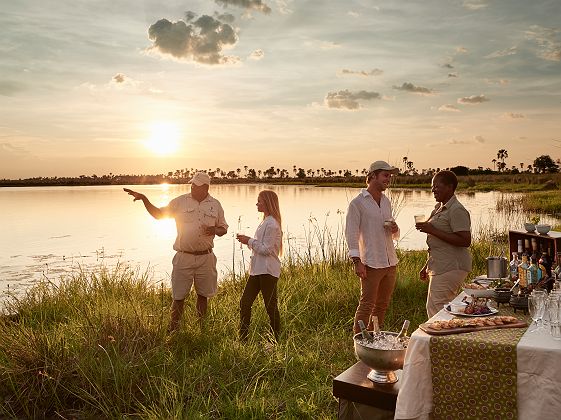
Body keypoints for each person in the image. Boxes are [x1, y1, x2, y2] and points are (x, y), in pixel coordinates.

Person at [123, 172, 228, 331]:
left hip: (206, 258)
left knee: (203, 296)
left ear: (205, 187)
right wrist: (145, 199)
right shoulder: (180, 202)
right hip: (183, 257)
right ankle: (173, 331)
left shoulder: (216, 204)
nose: (192, 187)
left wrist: (215, 229)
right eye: (192, 184)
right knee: (178, 297)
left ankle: (203, 330)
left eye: (196, 185)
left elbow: (223, 229)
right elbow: (159, 215)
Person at [345, 161, 400, 334]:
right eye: (385, 175)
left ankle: (374, 339)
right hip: (371, 262)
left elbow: (392, 232)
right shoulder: (357, 203)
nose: (388, 179)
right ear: (373, 176)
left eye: (390, 176)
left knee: (382, 304)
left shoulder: (386, 202)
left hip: (390, 261)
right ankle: (359, 341)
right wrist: (357, 262)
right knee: (367, 304)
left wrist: (395, 229)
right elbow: (351, 234)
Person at [415, 170, 472, 318]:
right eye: (432, 186)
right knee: (445, 308)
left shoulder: (456, 210)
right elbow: (439, 245)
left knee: (436, 309)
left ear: (449, 187)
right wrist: (427, 265)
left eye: (436, 186)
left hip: (451, 266)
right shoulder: (439, 207)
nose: (433, 189)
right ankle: (451, 339)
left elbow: (465, 240)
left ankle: (438, 340)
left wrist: (432, 230)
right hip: (440, 265)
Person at [236, 190, 282, 342]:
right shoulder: (265, 221)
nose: (257, 204)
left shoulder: (272, 224)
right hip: (257, 270)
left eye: (259, 201)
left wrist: (248, 240)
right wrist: (249, 241)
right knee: (245, 302)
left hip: (267, 271)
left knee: (270, 307)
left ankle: (277, 339)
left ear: (267, 203)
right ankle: (243, 339)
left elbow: (266, 249)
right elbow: (261, 247)